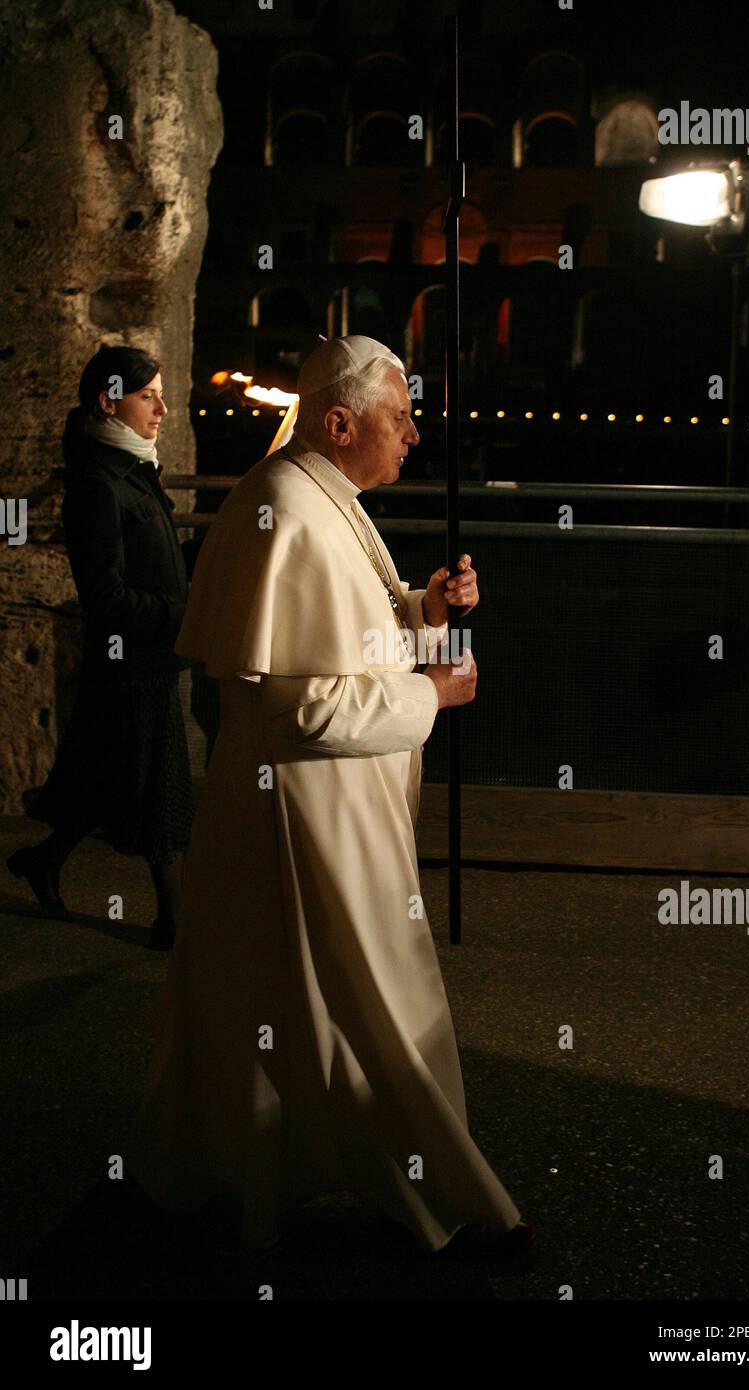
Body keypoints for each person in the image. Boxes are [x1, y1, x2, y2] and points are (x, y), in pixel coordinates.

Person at [123, 334, 534, 1259]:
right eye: (399, 417)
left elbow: (354, 628)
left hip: (316, 817)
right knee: (375, 1002)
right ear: (339, 421)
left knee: (295, 1008)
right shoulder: (284, 508)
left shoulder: (317, 494)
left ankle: (280, 1177)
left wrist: (423, 609)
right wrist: (433, 691)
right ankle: (451, 1203)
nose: (415, 435)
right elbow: (286, 708)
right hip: (307, 821)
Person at [6, 346, 194, 950]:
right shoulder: (98, 485)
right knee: (156, 784)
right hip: (132, 661)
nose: (163, 408)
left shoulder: (134, 470)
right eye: (148, 396)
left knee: (108, 772)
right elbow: (106, 596)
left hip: (153, 655)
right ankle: (175, 921)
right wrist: (179, 615)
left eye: (162, 393)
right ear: (109, 401)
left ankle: (44, 860)